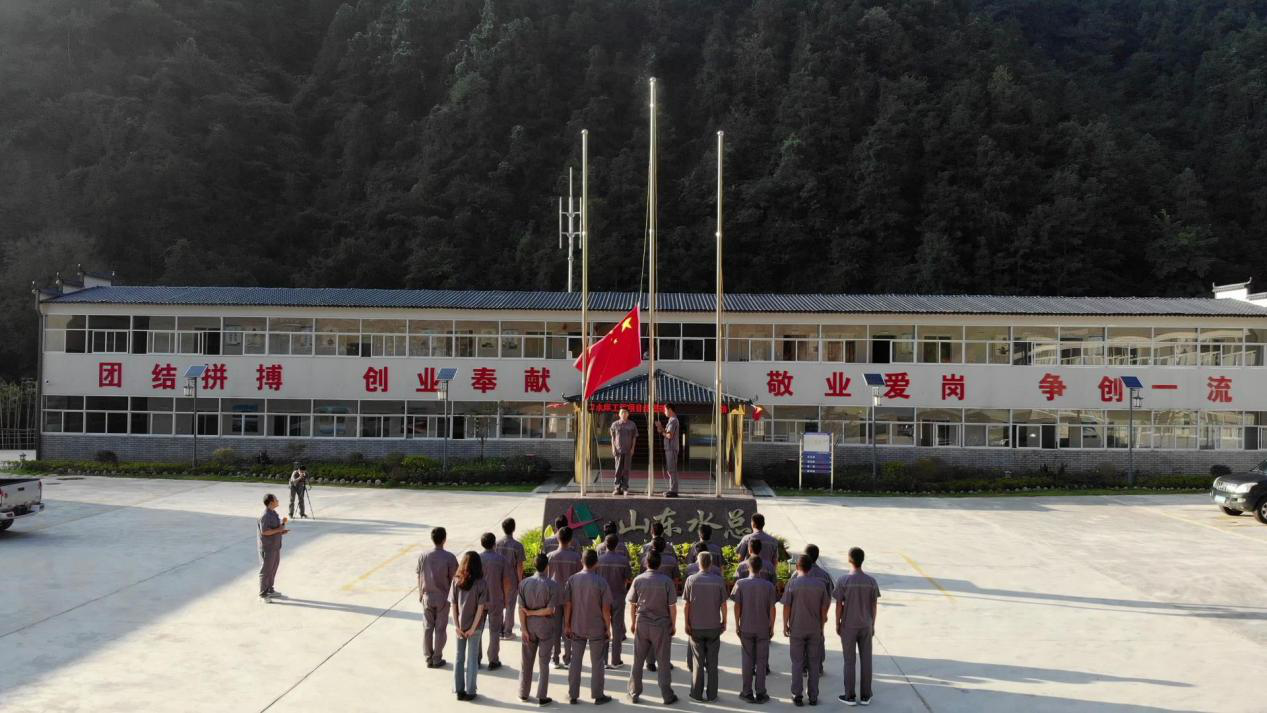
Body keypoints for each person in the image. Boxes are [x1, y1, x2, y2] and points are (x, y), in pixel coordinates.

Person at [626, 550, 678, 705]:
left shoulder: (638, 580)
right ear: (659, 564)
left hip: (642, 623)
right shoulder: (666, 581)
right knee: (663, 661)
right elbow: (672, 607)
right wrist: (673, 624)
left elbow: (632, 604)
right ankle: (667, 695)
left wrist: (633, 623)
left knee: (638, 660)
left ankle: (634, 693)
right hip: (661, 625)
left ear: (645, 563)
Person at [565, 549, 614, 705]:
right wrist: (608, 627)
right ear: (596, 563)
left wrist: (567, 624)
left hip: (577, 626)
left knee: (575, 660)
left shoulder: (572, 580)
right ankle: (598, 695)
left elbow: (568, 605)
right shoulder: (601, 582)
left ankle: (573, 695)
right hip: (596, 627)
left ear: (582, 561)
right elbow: (606, 609)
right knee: (597, 662)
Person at [834, 547, 880, 707]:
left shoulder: (843, 580)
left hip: (849, 625)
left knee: (849, 661)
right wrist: (872, 624)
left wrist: (837, 623)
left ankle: (850, 696)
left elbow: (838, 605)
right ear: (863, 560)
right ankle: (866, 696)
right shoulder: (871, 581)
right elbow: (874, 605)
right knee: (866, 660)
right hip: (866, 625)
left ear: (849, 559)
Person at [783, 555, 831, 706]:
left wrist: (785, 625)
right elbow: (824, 608)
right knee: (814, 663)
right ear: (811, 568)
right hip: (814, 628)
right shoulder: (820, 585)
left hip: (797, 628)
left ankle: (797, 695)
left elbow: (787, 606)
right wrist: (821, 627)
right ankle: (813, 696)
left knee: (797, 663)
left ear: (797, 567)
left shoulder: (792, 583)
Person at [683, 551, 727, 702]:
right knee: (713, 663)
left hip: (696, 627)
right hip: (714, 626)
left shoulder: (691, 580)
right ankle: (712, 694)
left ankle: (696, 693)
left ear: (698, 563)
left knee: (698, 662)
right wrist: (724, 621)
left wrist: (686, 623)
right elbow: (723, 604)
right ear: (711, 563)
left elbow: (687, 605)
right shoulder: (718, 580)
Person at [731, 556, 776, 703]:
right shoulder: (769, 586)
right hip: (763, 627)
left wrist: (737, 624)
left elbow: (737, 606)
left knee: (747, 660)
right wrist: (772, 626)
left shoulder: (740, 584)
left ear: (747, 567)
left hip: (746, 626)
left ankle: (747, 692)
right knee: (761, 661)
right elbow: (772, 608)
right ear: (761, 567)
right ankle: (761, 693)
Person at [518, 553, 561, 706]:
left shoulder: (524, 583)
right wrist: (534, 613)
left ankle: (523, 693)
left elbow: (521, 609)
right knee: (544, 663)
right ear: (547, 566)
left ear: (534, 565)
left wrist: (524, 628)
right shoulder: (553, 585)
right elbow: (550, 610)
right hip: (546, 628)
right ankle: (542, 697)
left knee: (526, 661)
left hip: (529, 627)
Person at [418, 526, 459, 668]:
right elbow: (455, 579)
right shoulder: (449, 557)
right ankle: (437, 657)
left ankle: (428, 657)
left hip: (427, 596)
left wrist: (420, 593)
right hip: (443, 598)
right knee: (440, 629)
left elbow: (419, 575)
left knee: (427, 627)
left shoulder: (424, 556)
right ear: (444, 539)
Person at [451, 551, 489, 702]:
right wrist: (473, 628)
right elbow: (480, 608)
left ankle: (458, 690)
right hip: (475, 627)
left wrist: (456, 625)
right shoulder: (481, 583)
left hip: (460, 625)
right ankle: (471, 691)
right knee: (472, 659)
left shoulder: (456, 581)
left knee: (459, 657)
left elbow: (453, 605)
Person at [546, 527, 583, 670]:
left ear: (557, 538)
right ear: (571, 539)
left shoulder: (550, 556)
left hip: (554, 597)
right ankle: (568, 658)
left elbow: (546, 579)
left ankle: (554, 658)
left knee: (555, 629)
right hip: (570, 597)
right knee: (568, 627)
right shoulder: (576, 558)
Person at [596, 533, 633, 668]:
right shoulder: (623, 560)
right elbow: (629, 579)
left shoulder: (599, 560)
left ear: (605, 544)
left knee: (603, 627)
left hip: (602, 599)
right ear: (617, 545)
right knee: (617, 630)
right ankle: (616, 660)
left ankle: (603, 660)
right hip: (618, 597)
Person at [479, 532, 513, 669]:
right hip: (496, 599)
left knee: (478, 630)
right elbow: (506, 582)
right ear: (494, 544)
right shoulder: (501, 560)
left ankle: (476, 659)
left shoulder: (477, 559)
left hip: (480, 601)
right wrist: (506, 599)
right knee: (494, 631)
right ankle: (493, 660)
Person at [497, 518, 527, 640]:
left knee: (499, 604)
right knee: (510, 606)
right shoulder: (518, 546)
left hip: (498, 579)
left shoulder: (497, 544)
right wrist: (520, 582)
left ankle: (499, 630)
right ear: (513, 529)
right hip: (512, 580)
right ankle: (507, 632)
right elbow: (519, 566)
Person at [257, 493, 290, 602]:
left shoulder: (274, 513)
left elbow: (275, 529)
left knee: (273, 569)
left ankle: (270, 590)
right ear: (271, 502)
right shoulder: (265, 516)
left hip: (275, 546)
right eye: (276, 499)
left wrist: (282, 529)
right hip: (268, 548)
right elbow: (265, 531)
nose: (278, 500)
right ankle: (263, 594)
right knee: (266, 571)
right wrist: (279, 530)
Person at [654, 403, 681, 497]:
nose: (664, 412)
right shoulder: (671, 420)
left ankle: (673, 490)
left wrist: (661, 430)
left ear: (670, 409)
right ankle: (672, 489)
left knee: (672, 470)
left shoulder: (673, 420)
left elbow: (669, 435)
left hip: (671, 448)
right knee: (670, 469)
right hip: (670, 448)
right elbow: (666, 432)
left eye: (665, 410)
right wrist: (661, 428)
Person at [610, 407, 638, 495]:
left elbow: (634, 437)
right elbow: (613, 438)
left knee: (626, 469)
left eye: (625, 412)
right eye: (622, 412)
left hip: (628, 450)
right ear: (619, 414)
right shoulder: (615, 424)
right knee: (618, 469)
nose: (624, 414)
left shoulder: (632, 424)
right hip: (618, 450)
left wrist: (633, 448)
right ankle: (617, 487)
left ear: (628, 414)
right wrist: (613, 448)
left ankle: (625, 487)